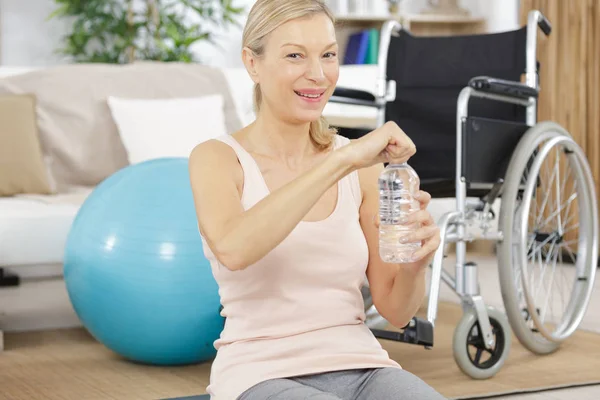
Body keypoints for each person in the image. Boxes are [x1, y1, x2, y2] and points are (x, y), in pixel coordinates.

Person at [189, 1, 444, 399]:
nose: (317, 74)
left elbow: (395, 312)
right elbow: (234, 248)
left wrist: (414, 266)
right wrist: (343, 159)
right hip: (259, 373)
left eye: (328, 54)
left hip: (364, 368)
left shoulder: (361, 167)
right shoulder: (217, 158)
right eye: (295, 55)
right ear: (252, 63)